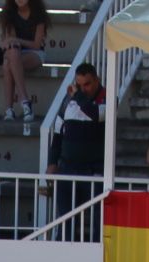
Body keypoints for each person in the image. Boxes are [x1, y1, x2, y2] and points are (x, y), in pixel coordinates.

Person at [45, 61, 103, 239]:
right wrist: (52, 162)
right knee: (65, 224)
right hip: (68, 170)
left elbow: (95, 114)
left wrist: (77, 96)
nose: (83, 89)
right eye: (79, 85)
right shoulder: (70, 100)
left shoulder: (107, 98)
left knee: (98, 226)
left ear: (97, 81)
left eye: (87, 84)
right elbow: (58, 131)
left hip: (94, 171)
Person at [0, 0, 45, 122]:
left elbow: (36, 45)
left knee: (10, 61)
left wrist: (17, 40)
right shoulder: (9, 13)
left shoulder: (38, 13)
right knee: (10, 59)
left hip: (35, 53)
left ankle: (15, 105)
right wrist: (12, 41)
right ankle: (20, 105)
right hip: (16, 53)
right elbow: (10, 42)